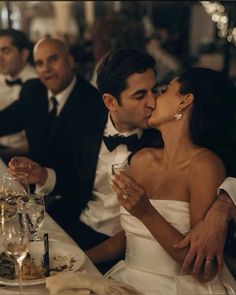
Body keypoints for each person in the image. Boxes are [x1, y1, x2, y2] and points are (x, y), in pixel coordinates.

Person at [86, 67, 236, 294]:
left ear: (184, 102)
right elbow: (131, 236)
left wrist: (146, 212)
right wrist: (78, 259)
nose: (154, 99)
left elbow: (198, 265)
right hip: (127, 278)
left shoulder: (205, 166)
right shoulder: (142, 159)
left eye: (164, 90)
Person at [9, 49, 162, 254]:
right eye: (140, 95)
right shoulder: (86, 124)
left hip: (127, 246)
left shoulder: (163, 138)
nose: (152, 103)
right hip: (78, 223)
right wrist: (45, 175)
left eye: (155, 90)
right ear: (110, 102)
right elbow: (77, 179)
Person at [0, 37, 101, 204]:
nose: (46, 69)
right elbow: (5, 121)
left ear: (70, 61)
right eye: (39, 63)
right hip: (32, 192)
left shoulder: (91, 102)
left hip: (73, 200)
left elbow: (85, 174)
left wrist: (44, 176)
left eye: (53, 60)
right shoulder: (33, 90)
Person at [0, 29, 37, 161]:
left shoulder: (38, 83)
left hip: (26, 156)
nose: (0, 57)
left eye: (6, 51)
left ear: (24, 54)